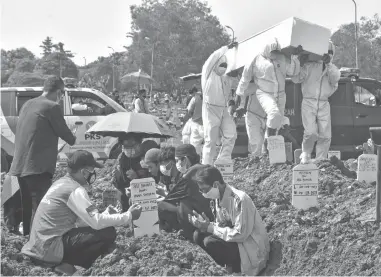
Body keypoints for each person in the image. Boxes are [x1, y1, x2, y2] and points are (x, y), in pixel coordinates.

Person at [21, 150, 142, 275]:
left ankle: (63, 264)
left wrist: (105, 214)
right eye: (91, 170)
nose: (93, 174)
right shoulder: (75, 190)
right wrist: (128, 215)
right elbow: (96, 222)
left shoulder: (60, 183)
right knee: (107, 232)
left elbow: (80, 221)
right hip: (50, 250)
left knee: (100, 228)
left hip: (38, 246)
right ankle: (66, 265)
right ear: (84, 171)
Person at [9, 76, 77, 236]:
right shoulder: (52, 107)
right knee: (39, 210)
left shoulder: (28, 104)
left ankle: (27, 241)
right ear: (60, 92)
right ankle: (37, 248)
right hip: (37, 168)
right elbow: (70, 138)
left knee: (27, 208)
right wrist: (73, 134)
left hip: (19, 167)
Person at [190, 165, 270, 275]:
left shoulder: (239, 200)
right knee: (198, 235)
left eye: (204, 189)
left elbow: (240, 234)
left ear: (216, 184)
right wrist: (207, 225)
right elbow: (222, 226)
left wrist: (211, 228)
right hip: (235, 242)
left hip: (249, 248)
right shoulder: (217, 198)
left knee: (210, 242)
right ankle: (222, 267)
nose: (203, 193)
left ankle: (232, 269)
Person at [236, 38, 302, 140]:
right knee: (274, 114)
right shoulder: (255, 60)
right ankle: (267, 142)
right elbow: (244, 81)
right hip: (264, 93)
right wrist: (239, 100)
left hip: (281, 95)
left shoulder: (282, 58)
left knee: (278, 122)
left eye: (277, 51)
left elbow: (293, 72)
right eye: (273, 51)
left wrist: (295, 58)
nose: (275, 54)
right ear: (267, 49)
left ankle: (268, 149)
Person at [291, 41, 340, 163]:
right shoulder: (309, 65)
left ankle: (321, 160)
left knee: (326, 135)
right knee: (310, 133)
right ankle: (305, 156)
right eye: (325, 53)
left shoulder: (332, 68)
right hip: (308, 102)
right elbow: (296, 79)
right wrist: (300, 63)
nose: (327, 55)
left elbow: (335, 79)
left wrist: (328, 64)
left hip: (324, 103)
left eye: (329, 53)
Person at [158, 144, 214, 239]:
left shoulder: (189, 174)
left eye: (177, 161)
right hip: (212, 215)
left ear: (185, 160)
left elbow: (169, 199)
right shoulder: (204, 168)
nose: (177, 164)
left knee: (161, 206)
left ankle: (183, 233)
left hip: (200, 217)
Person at [201, 42, 239, 165]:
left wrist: (232, 103)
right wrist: (226, 48)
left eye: (225, 65)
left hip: (223, 110)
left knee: (231, 134)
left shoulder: (226, 78)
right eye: (221, 64)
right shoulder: (207, 73)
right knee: (210, 140)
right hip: (210, 109)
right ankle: (206, 165)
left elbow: (234, 90)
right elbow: (213, 57)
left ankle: (223, 160)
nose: (223, 67)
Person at [111, 134, 149, 212]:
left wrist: (136, 178)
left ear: (139, 143)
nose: (128, 149)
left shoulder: (146, 159)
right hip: (123, 201)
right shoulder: (121, 158)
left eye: (131, 146)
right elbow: (116, 182)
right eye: (125, 146)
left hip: (142, 202)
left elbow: (152, 184)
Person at [235, 81, 267, 160]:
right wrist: (241, 108)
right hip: (253, 114)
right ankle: (257, 162)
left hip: (268, 114)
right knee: (256, 142)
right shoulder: (251, 84)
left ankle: (267, 162)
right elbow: (240, 94)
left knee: (270, 142)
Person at [183, 86, 204, 155]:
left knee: (195, 144)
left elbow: (189, 111)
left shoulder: (195, 98)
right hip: (207, 123)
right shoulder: (207, 96)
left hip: (197, 123)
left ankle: (196, 160)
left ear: (194, 92)